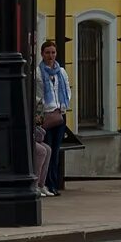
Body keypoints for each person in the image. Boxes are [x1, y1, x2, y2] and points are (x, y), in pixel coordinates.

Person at [34, 38, 73, 196]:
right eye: (47, 53)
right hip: (45, 116)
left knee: (55, 151)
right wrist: (43, 105)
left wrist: (63, 104)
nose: (51, 56)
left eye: (53, 52)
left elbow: (67, 90)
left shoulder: (61, 72)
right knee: (46, 149)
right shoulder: (37, 72)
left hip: (59, 114)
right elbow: (36, 93)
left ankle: (52, 184)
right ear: (42, 54)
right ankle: (44, 183)